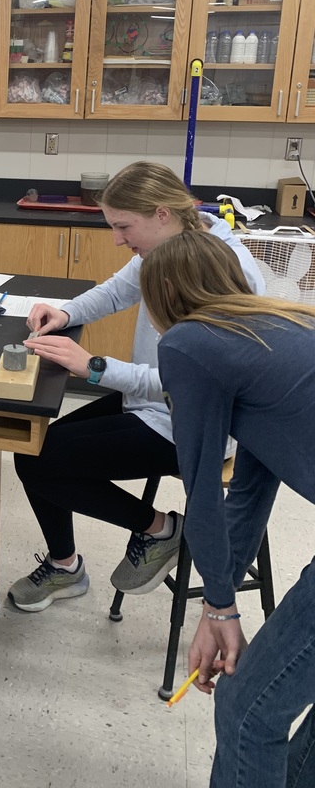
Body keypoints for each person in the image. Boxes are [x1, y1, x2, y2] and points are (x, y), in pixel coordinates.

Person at [7, 161, 265, 612]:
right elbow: (114, 292)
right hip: (151, 403)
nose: (118, 239)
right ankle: (66, 566)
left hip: (194, 425)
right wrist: (64, 314)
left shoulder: (221, 270)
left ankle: (162, 530)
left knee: (43, 462)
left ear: (162, 214)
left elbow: (197, 383)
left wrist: (94, 367)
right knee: (34, 448)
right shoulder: (164, 247)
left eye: (124, 226)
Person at [140, 231, 315, 788]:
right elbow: (248, 490)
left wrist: (220, 608)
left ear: (165, 289)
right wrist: (217, 608)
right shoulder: (283, 323)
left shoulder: (191, 343)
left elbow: (201, 489)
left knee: (248, 710)